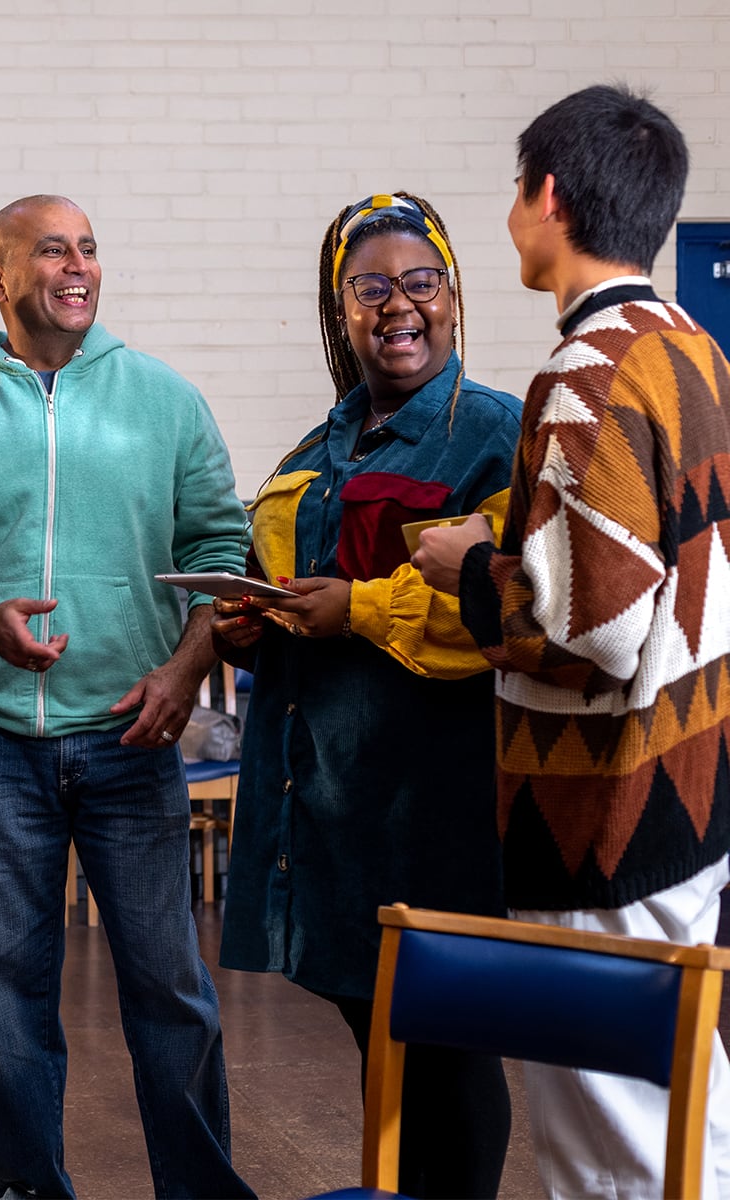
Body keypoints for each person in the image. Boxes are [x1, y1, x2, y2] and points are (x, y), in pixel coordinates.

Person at [0, 194, 255, 1200]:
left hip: (133, 733)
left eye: (88, 248)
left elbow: (222, 556)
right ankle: (30, 1190)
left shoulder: (164, 401)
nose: (78, 265)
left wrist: (183, 672)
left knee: (171, 991)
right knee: (6, 999)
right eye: (52, 251)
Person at [412, 84, 730, 1198]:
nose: (509, 211)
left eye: (514, 187)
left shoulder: (586, 371)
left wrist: (469, 569)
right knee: (684, 1113)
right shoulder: (690, 346)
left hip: (603, 805)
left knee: (608, 1151)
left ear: (548, 196)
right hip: (687, 785)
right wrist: (520, 543)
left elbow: (591, 626)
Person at [212, 193, 522, 1198]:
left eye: (420, 282)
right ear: (339, 310)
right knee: (380, 1041)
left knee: (450, 1051)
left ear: (455, 294)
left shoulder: (498, 438)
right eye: (370, 288)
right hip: (328, 808)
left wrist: (360, 607)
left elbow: (505, 613)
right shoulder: (313, 454)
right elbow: (297, 607)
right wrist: (253, 624)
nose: (399, 306)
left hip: (433, 808)